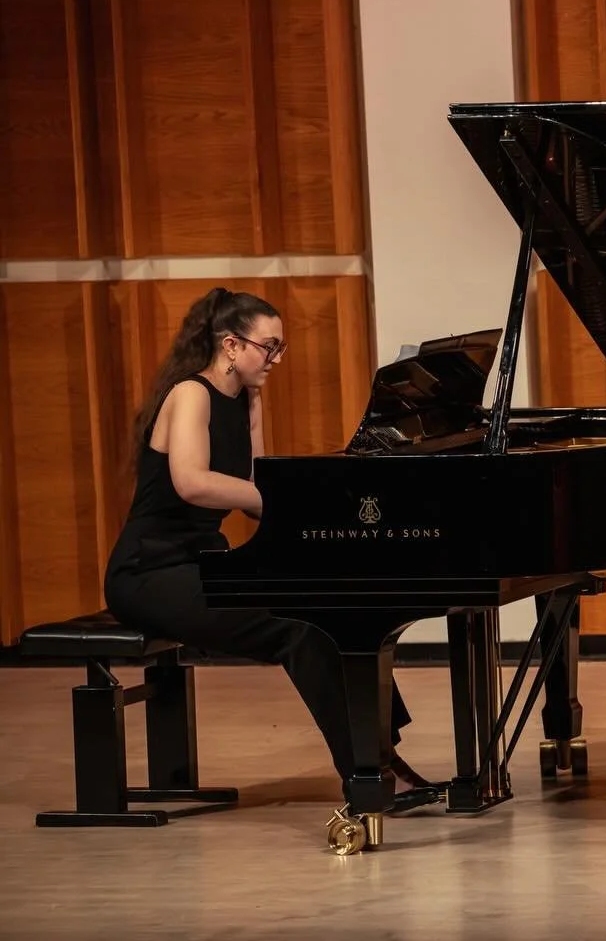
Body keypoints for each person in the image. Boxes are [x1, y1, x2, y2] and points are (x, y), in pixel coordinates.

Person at [102, 286, 434, 808]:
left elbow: (258, 491)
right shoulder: (190, 394)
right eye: (269, 346)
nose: (277, 358)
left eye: (281, 347)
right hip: (149, 572)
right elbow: (192, 482)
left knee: (337, 608)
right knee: (299, 627)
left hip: (201, 561)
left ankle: (382, 756)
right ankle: (365, 774)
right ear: (231, 345)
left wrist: (325, 500)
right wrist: (291, 503)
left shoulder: (246, 399)